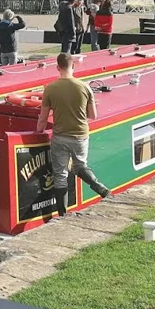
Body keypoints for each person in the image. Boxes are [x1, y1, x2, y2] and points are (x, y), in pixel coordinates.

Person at [35, 53, 111, 220]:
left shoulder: (50, 88)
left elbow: (43, 117)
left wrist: (38, 131)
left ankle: (62, 214)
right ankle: (100, 188)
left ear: (57, 67)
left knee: (60, 174)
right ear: (73, 66)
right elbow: (93, 115)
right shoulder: (85, 87)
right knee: (79, 166)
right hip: (80, 135)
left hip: (60, 136)